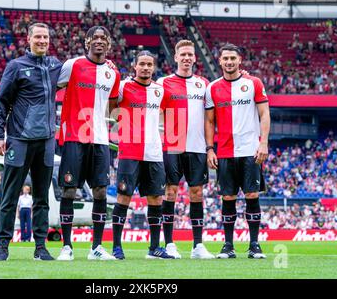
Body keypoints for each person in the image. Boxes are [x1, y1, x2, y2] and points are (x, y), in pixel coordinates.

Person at [0, 22, 62, 261]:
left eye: (46, 37)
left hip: (46, 142)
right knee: (9, 196)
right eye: (38, 37)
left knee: (42, 199)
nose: (42, 40)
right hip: (19, 141)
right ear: (29, 39)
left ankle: (40, 248)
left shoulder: (55, 66)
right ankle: (3, 247)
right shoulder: (16, 66)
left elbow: (82, 70)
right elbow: (1, 102)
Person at [56, 26, 120, 261]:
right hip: (75, 136)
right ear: (87, 41)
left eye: (104, 38)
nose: (100, 42)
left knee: (101, 190)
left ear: (109, 44)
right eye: (96, 38)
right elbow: (51, 86)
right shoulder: (72, 65)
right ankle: (66, 246)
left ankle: (97, 247)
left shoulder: (113, 73)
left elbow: (113, 106)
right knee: (70, 190)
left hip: (101, 139)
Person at [205, 43, 270, 259]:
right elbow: (209, 121)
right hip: (224, 152)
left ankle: (254, 244)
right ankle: (228, 245)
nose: (229, 62)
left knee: (252, 195)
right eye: (226, 58)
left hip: (251, 151)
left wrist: (263, 143)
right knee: (228, 197)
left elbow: (264, 114)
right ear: (220, 61)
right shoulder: (212, 87)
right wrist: (209, 149)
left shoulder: (254, 83)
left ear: (239, 60)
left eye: (233, 58)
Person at [110, 51, 174, 260]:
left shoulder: (159, 90)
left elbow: (168, 113)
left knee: (156, 198)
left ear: (153, 67)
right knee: (124, 197)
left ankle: (154, 247)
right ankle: (117, 247)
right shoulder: (123, 87)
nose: (146, 68)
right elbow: (109, 106)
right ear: (134, 66)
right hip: (129, 152)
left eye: (149, 64)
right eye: (142, 64)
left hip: (154, 153)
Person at [157, 39, 215, 259]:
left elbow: (210, 119)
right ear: (176, 57)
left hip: (197, 148)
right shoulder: (163, 83)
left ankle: (198, 246)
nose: (187, 58)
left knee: (197, 193)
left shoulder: (204, 84)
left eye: (190, 54)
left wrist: (210, 148)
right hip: (172, 147)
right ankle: (170, 243)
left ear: (194, 57)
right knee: (170, 192)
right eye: (183, 54)